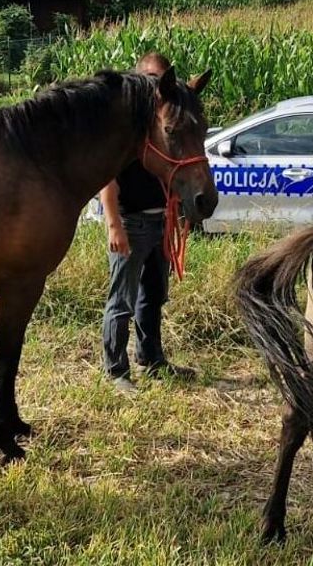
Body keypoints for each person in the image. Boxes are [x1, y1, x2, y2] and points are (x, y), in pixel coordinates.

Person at [100, 52, 197, 393]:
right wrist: (114, 226)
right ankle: (115, 371)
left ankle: (152, 360)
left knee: (153, 295)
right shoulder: (124, 130)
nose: (159, 88)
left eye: (163, 80)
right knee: (121, 299)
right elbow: (107, 181)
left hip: (160, 224)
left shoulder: (162, 126)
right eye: (153, 80)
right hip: (131, 223)